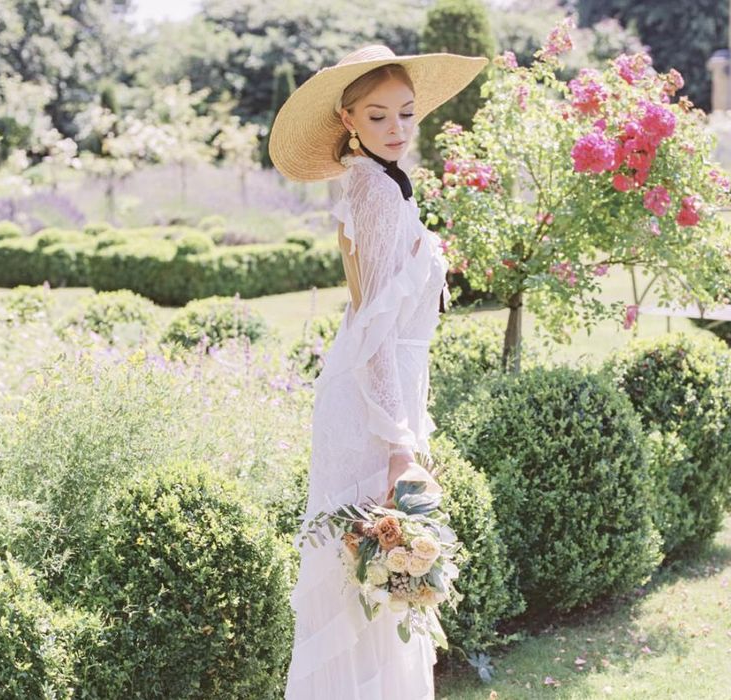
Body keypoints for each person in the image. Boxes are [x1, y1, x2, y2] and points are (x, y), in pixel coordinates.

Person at [269, 44, 487, 700]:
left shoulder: (379, 182)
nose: (397, 126)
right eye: (378, 114)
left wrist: (409, 425)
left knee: (380, 582)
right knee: (369, 577)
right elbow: (374, 334)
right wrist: (399, 444)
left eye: (407, 113)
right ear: (348, 118)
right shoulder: (375, 192)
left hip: (382, 392)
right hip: (371, 399)